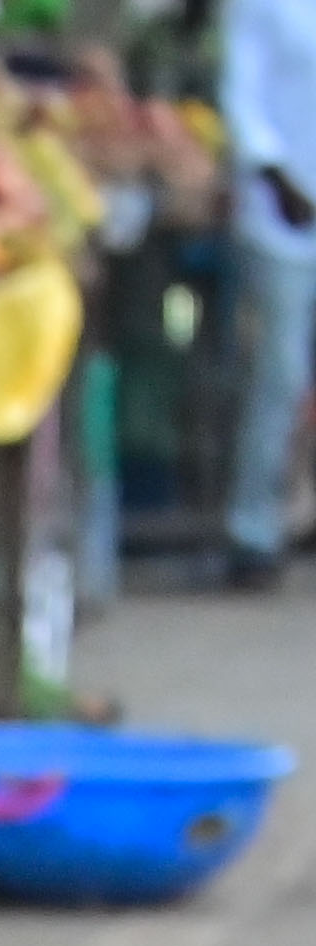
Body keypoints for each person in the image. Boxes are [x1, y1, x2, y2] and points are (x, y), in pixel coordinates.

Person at [228, 0, 316, 586]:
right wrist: (275, 174)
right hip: (283, 220)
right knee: (280, 374)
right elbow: (240, 95)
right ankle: (252, 531)